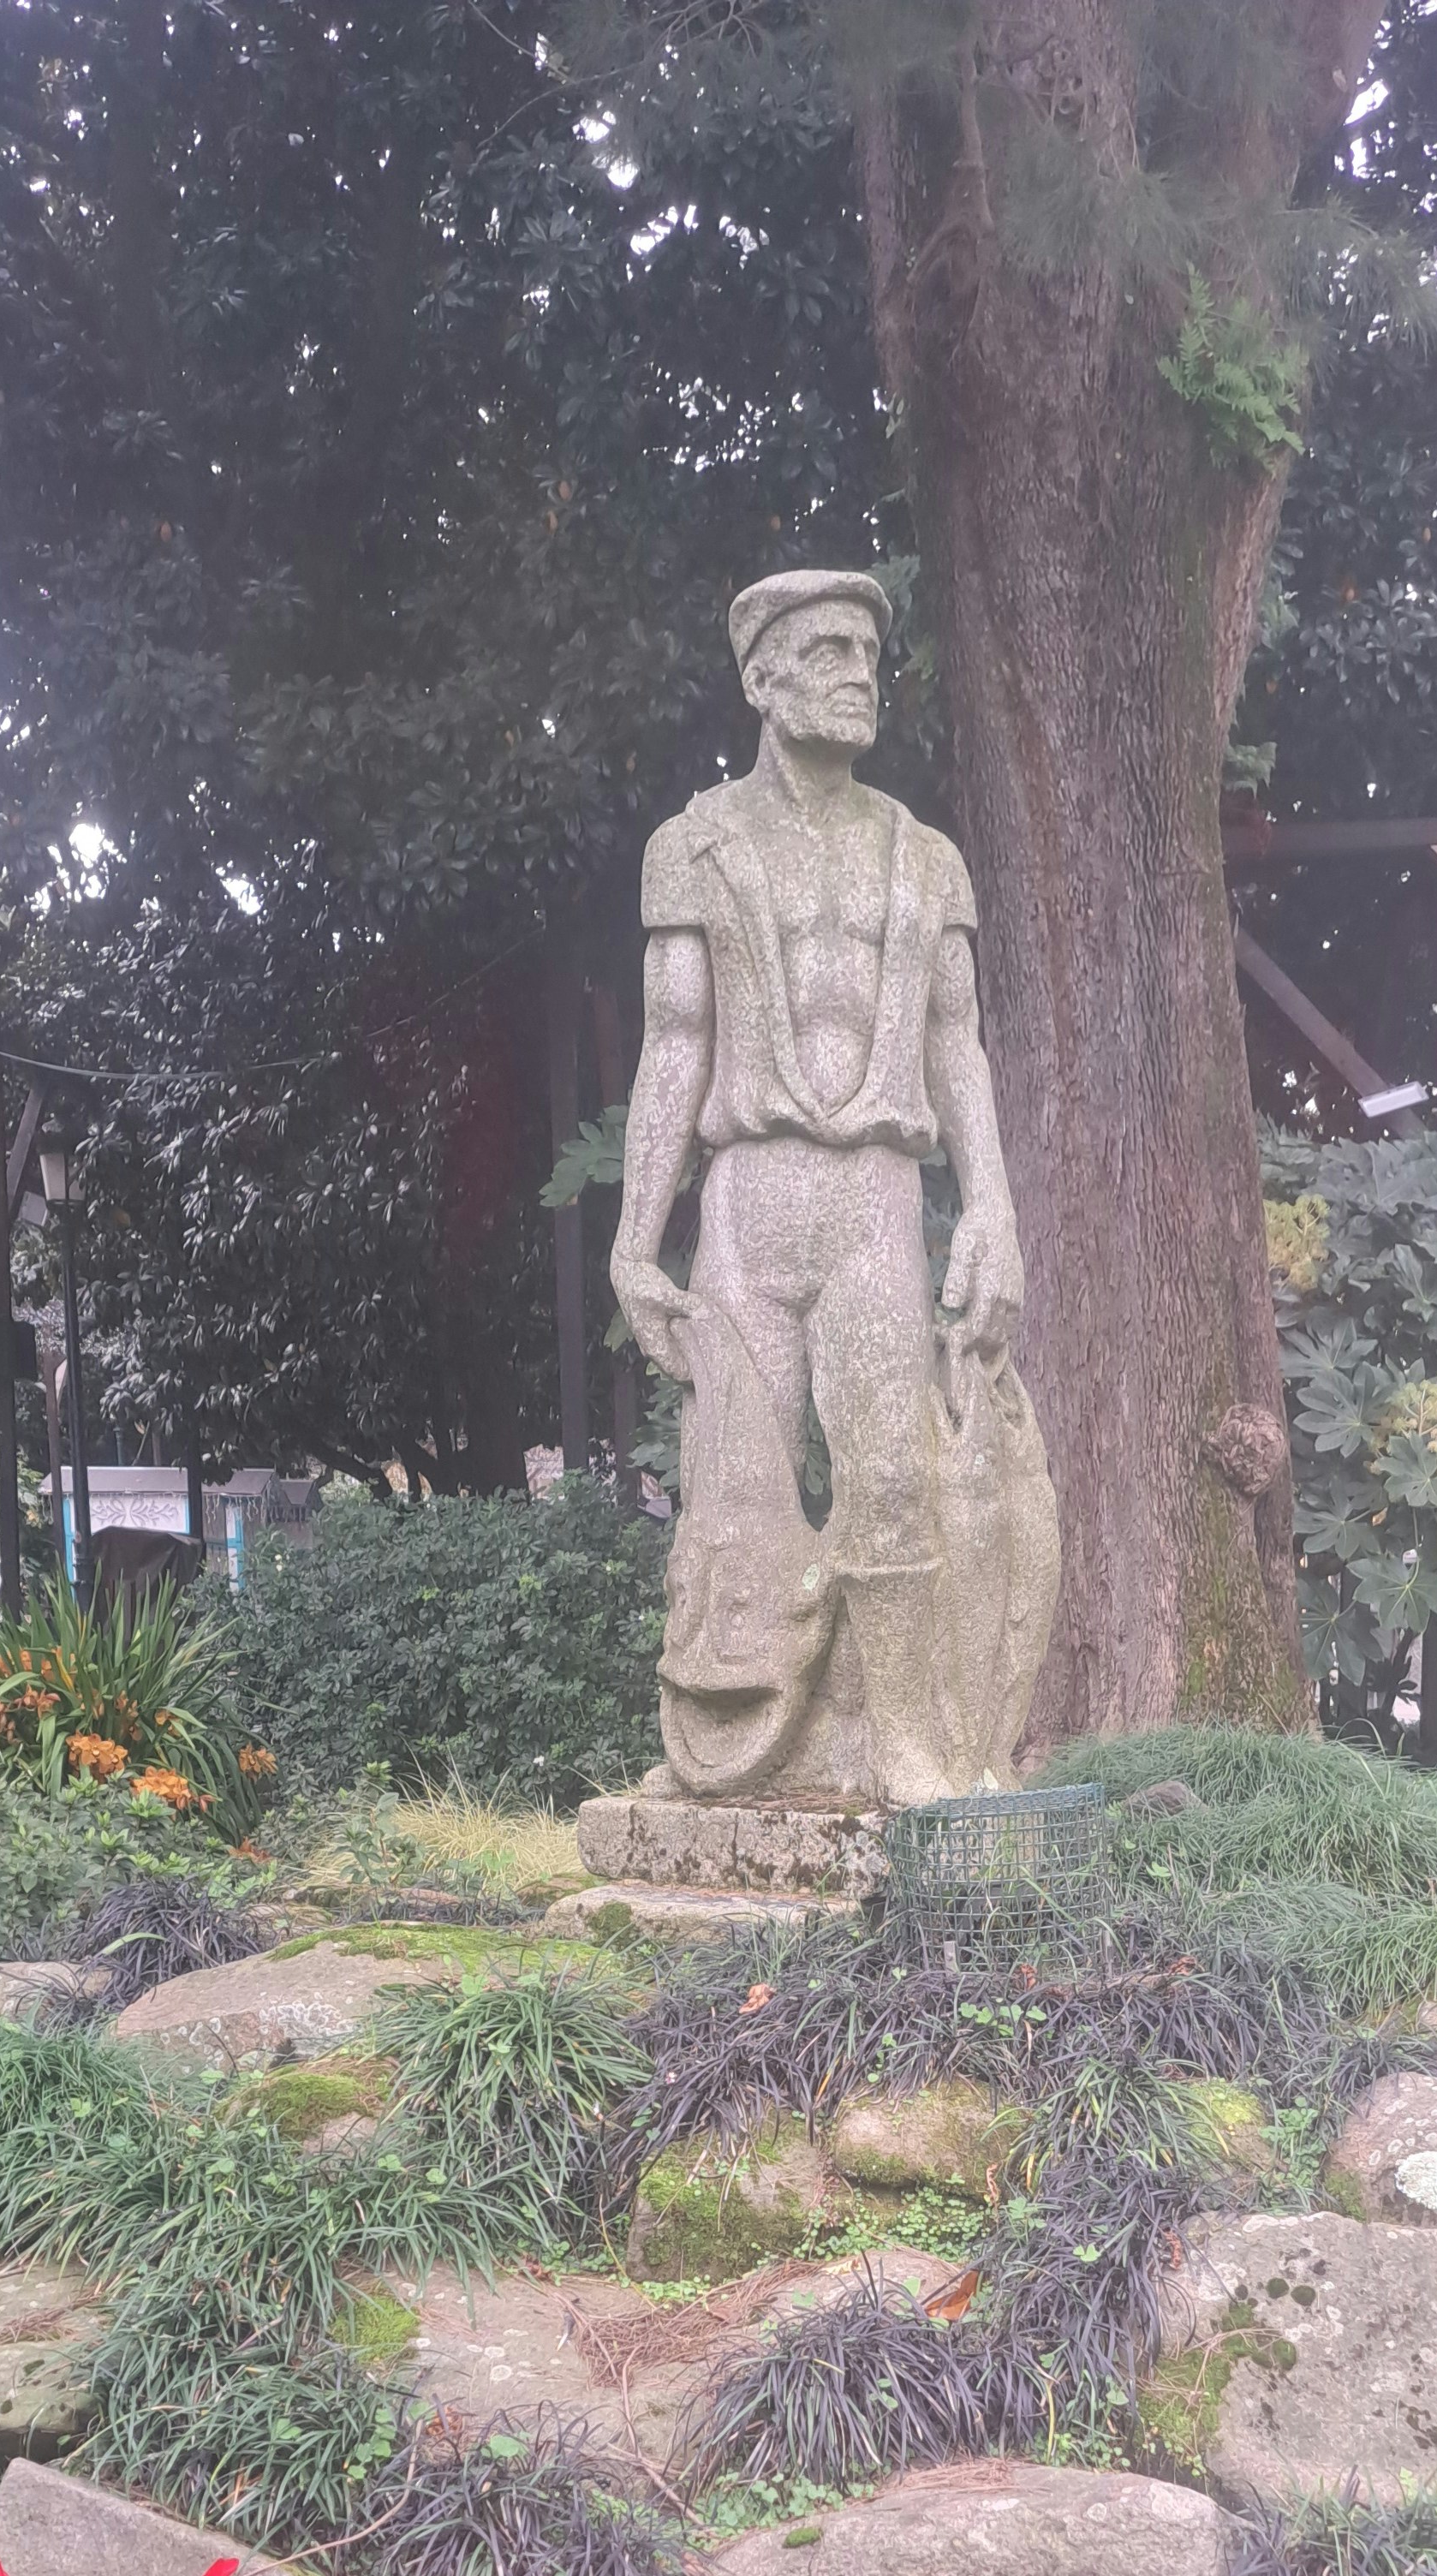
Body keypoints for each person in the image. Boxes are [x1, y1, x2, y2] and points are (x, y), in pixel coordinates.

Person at [611, 568, 1059, 1804]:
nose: (857, 672)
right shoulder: (691, 849)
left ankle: (910, 1741)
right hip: (746, 1209)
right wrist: (635, 1239)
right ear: (761, 680)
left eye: (867, 651)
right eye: (825, 651)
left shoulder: (924, 859)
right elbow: (674, 1045)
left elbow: (958, 1048)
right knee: (733, 1491)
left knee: (893, 1473)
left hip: (871, 1204)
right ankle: (737, 1755)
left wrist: (995, 1211)